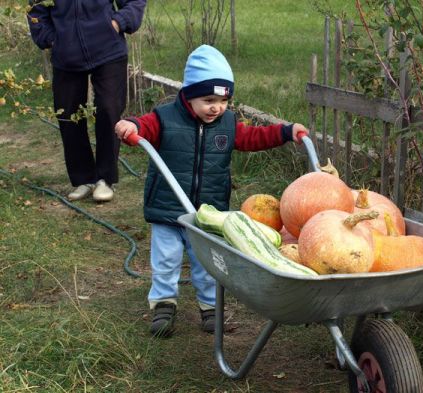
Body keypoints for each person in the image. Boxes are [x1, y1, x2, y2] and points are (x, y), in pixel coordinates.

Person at [115, 45, 310, 338]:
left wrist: (285, 132)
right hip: (168, 208)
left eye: (223, 101)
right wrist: (130, 125)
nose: (216, 108)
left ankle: (210, 308)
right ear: (189, 94)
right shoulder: (165, 118)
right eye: (208, 100)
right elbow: (143, 127)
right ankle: (164, 305)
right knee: (166, 259)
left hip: (208, 213)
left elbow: (255, 137)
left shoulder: (228, 124)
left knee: (208, 262)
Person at [27, 0, 147, 202]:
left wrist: (117, 23)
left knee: (109, 109)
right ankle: (84, 178)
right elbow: (35, 9)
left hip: (109, 50)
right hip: (66, 55)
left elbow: (134, 2)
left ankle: (105, 179)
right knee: (67, 114)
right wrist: (52, 39)